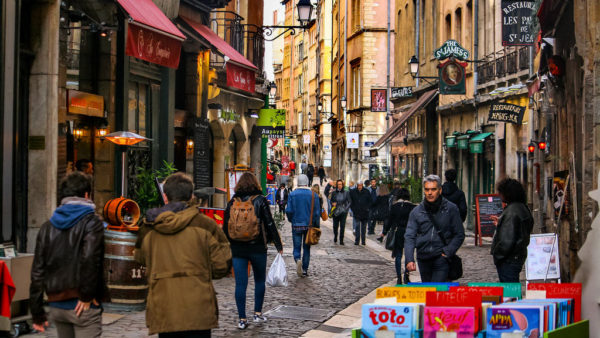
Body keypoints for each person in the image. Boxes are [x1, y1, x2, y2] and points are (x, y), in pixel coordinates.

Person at [135, 173, 232, 337]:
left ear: (165, 197)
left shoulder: (149, 226)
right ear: (191, 196)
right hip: (198, 307)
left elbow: (140, 258)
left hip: (164, 305)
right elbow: (222, 264)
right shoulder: (205, 224)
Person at [30, 172, 107, 337]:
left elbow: (37, 271)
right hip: (82, 305)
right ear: (87, 195)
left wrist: (36, 311)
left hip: (57, 305)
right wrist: (86, 296)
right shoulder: (92, 223)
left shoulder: (47, 227)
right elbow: (90, 260)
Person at [223, 172, 283, 329]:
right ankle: (257, 314)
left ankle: (242, 319)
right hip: (257, 247)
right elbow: (269, 223)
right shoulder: (260, 200)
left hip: (237, 249)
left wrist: (228, 244)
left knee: (240, 284)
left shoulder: (232, 202)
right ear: (255, 183)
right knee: (259, 281)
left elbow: (225, 226)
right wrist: (278, 244)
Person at [404, 175, 465, 282]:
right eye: (427, 189)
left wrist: (448, 251)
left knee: (437, 290)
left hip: (441, 257)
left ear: (440, 190)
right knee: (428, 292)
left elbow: (459, 234)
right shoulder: (416, 211)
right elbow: (409, 236)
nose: (430, 193)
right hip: (423, 257)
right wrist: (409, 259)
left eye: (433, 189)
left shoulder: (450, 209)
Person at [491, 178, 533, 283]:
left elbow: (507, 241)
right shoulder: (522, 208)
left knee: (509, 291)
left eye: (501, 192)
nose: (499, 195)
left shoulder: (512, 211)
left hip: (509, 259)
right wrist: (501, 223)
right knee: (511, 287)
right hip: (517, 256)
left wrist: (497, 255)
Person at [286, 174, 320, 277]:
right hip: (309, 226)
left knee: (296, 247)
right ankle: (305, 269)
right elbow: (317, 213)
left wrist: (291, 220)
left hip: (296, 225)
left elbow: (289, 210)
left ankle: (297, 259)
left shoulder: (292, 194)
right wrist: (316, 225)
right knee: (306, 248)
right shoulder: (314, 195)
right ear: (307, 182)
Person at [381, 188, 415, 285]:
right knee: (408, 255)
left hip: (398, 232)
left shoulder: (395, 206)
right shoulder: (412, 207)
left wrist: (384, 232)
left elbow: (389, 221)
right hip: (409, 233)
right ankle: (406, 275)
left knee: (398, 255)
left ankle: (399, 277)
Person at [349, 181, 371, 245]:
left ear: (362, 185)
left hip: (365, 213)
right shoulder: (353, 192)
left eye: (360, 185)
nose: (359, 187)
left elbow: (370, 201)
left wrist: (367, 208)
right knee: (357, 227)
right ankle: (357, 240)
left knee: (364, 228)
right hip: (357, 212)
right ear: (357, 185)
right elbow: (351, 201)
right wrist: (353, 209)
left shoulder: (366, 191)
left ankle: (363, 241)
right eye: (358, 185)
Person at [330, 179, 351, 245]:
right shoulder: (334, 192)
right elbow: (331, 200)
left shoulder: (346, 192)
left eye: (341, 184)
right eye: (338, 184)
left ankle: (341, 239)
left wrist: (346, 209)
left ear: (342, 185)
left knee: (342, 226)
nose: (339, 186)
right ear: (336, 185)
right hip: (336, 211)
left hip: (343, 211)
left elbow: (350, 201)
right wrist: (332, 203)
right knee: (335, 226)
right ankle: (335, 236)